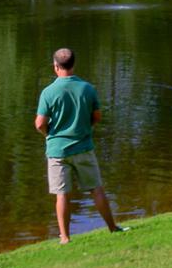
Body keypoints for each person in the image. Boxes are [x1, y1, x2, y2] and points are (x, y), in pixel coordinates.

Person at [35, 47, 118, 243]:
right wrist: (86, 128)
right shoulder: (87, 88)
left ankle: (65, 237)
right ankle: (113, 228)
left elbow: (39, 123)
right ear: (73, 64)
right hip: (84, 147)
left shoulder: (48, 92)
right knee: (96, 189)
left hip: (57, 150)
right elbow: (97, 116)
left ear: (56, 66)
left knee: (62, 195)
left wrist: (48, 135)